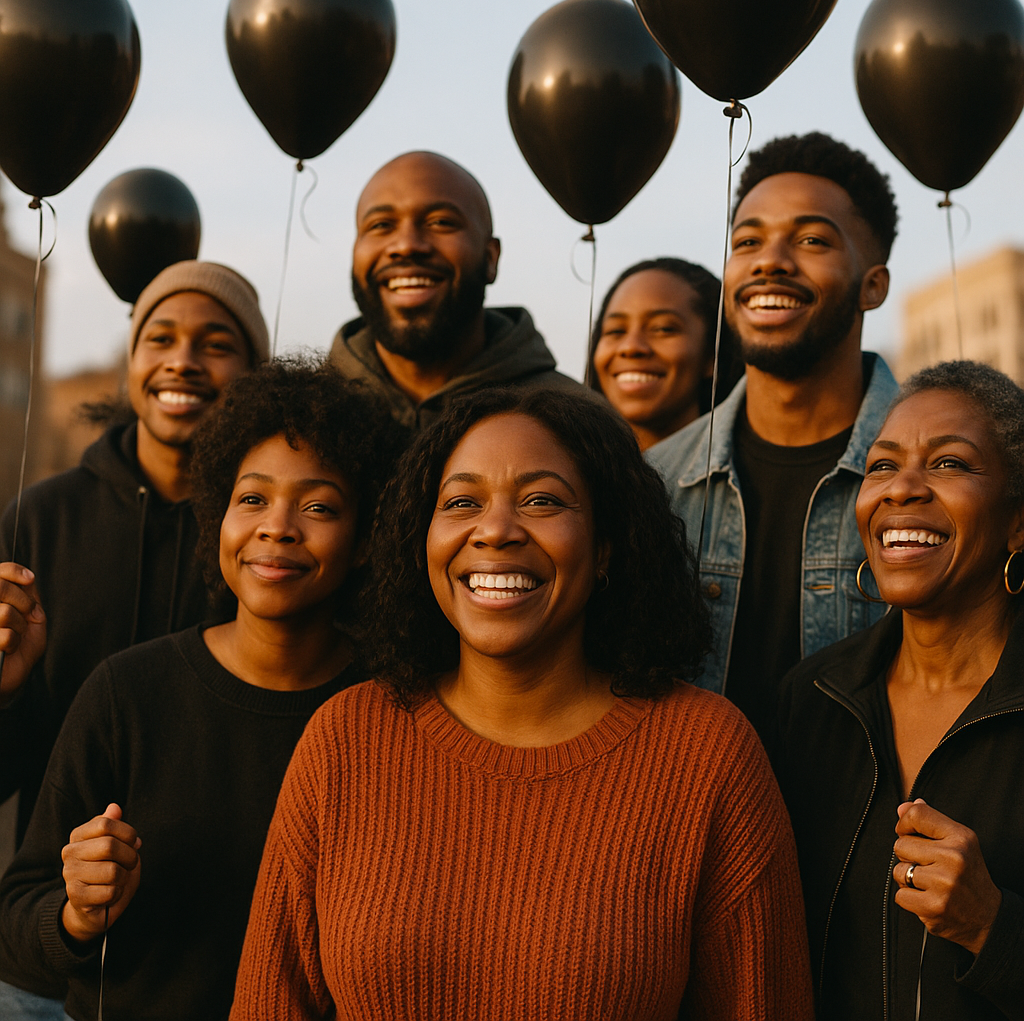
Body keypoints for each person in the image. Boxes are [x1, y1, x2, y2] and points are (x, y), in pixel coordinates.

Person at [230, 387, 814, 1021]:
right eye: (461, 503)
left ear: (608, 547)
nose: (496, 531)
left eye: (541, 501)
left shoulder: (707, 754)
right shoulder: (344, 741)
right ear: (421, 538)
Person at [0, 359, 405, 1020]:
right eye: (252, 499)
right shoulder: (125, 693)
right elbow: (18, 916)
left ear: (364, 540)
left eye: (320, 506)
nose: (277, 526)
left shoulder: (395, 712)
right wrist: (75, 913)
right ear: (218, 517)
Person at [0, 261, 269, 1017]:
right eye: (162, 337)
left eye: (216, 343)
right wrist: (7, 693)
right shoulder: (42, 520)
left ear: (254, 373)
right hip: (44, 965)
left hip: (210, 975)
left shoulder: (268, 545)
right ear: (133, 359)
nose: (183, 359)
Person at [774, 361, 1024, 1020]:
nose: (901, 489)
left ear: (1019, 522)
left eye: (947, 464)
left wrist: (993, 928)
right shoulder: (813, 701)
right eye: (882, 466)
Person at [647, 132, 900, 741]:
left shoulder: (940, 485)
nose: (770, 261)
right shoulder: (653, 483)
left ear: (874, 285)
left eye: (811, 240)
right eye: (748, 241)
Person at [329, 150, 590, 429]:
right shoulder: (304, 413)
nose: (406, 245)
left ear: (491, 258)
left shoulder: (580, 423)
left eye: (440, 222)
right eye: (381, 225)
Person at [588, 257, 741, 450]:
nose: (631, 347)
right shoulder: (565, 470)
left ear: (713, 354)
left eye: (663, 329)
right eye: (615, 331)